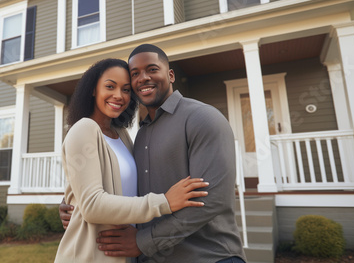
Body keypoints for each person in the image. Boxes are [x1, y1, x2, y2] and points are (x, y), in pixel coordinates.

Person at [60, 45, 247, 263]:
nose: (143, 78)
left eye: (152, 69)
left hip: (207, 256)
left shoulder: (202, 118)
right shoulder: (139, 135)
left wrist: (143, 241)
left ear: (170, 75)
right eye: (135, 74)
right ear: (94, 89)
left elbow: (212, 201)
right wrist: (73, 201)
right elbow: (100, 192)